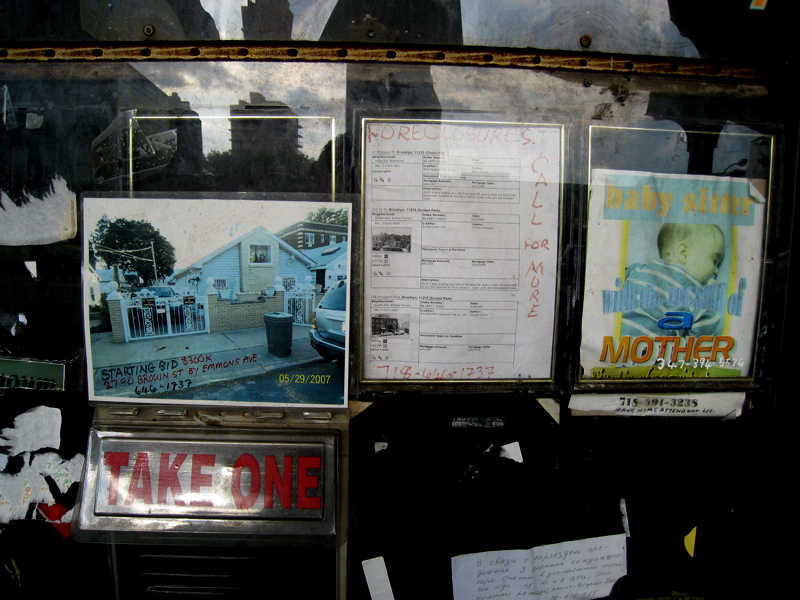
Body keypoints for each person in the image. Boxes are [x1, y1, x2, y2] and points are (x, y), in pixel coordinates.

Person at [620, 223, 725, 339]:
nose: (716, 271)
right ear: (683, 253)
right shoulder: (697, 296)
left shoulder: (638, 269)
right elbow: (706, 326)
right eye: (714, 261)